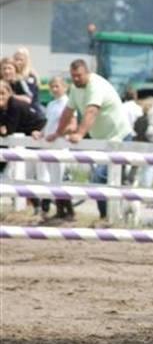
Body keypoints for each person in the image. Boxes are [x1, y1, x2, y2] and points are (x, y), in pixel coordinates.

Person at [46, 59, 134, 223]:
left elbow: (91, 111)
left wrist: (79, 133)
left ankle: (107, 217)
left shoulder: (96, 85)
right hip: (101, 141)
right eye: (73, 76)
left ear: (87, 73)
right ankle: (106, 216)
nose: (76, 79)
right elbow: (68, 111)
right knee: (100, 179)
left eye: (79, 75)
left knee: (100, 177)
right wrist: (57, 133)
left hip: (119, 137)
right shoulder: (75, 89)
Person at [39, 77, 77, 221]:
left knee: (59, 180)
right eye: (52, 87)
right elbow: (48, 124)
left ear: (65, 87)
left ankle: (69, 212)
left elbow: (73, 126)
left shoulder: (68, 104)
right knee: (53, 181)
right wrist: (41, 133)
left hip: (60, 145)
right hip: (49, 145)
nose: (54, 89)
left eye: (57, 86)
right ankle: (61, 212)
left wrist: (57, 134)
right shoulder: (51, 104)